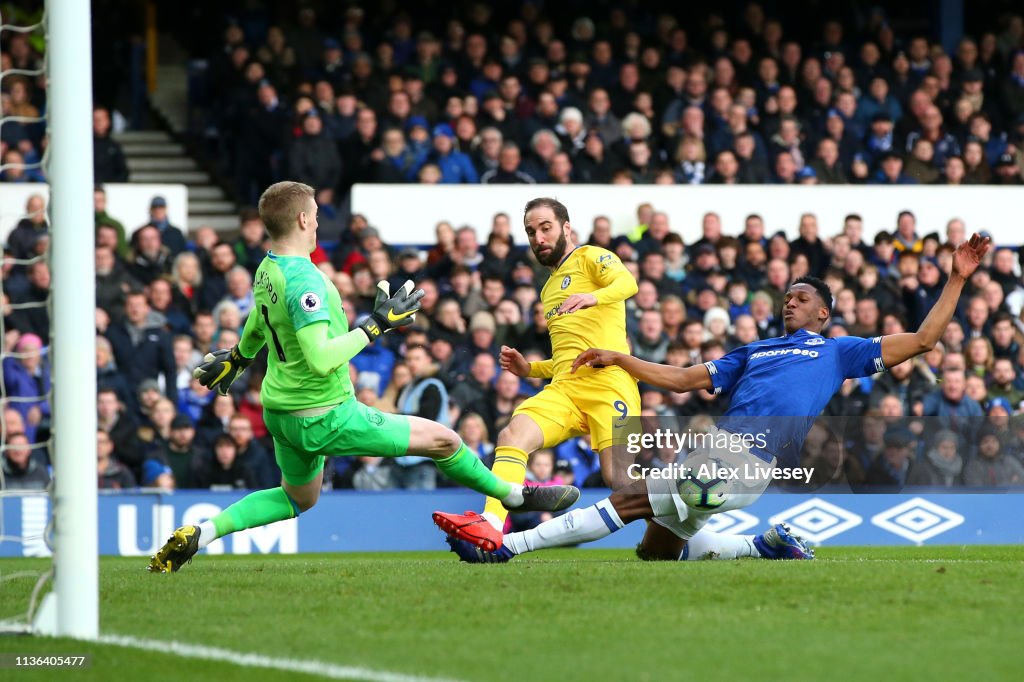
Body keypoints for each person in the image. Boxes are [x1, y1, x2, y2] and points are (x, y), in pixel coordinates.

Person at [444, 234, 991, 562]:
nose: (790, 304)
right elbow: (683, 379)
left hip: (748, 461)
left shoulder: (838, 352)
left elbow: (923, 340)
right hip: (712, 459)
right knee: (655, 552)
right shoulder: (752, 351)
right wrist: (620, 359)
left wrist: (957, 281)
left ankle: (506, 547)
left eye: (800, 298)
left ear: (824, 313)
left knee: (632, 497)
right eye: (786, 298)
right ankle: (762, 547)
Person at [148, 181, 576, 572]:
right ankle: (514, 495)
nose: (317, 219)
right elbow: (319, 358)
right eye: (314, 212)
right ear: (301, 219)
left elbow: (260, 323)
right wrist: (376, 325)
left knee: (299, 498)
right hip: (323, 414)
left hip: (281, 411)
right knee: (445, 440)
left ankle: (200, 533)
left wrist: (240, 358)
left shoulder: (267, 268)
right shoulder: (303, 280)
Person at [433, 197, 640, 550]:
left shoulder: (592, 257)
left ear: (566, 228)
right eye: (531, 231)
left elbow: (628, 283)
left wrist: (595, 297)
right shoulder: (548, 290)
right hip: (565, 388)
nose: (538, 237)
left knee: (620, 480)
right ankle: (491, 526)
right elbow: (566, 358)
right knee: (512, 434)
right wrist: (530, 369)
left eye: (545, 227)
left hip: (612, 383)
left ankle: (689, 524)